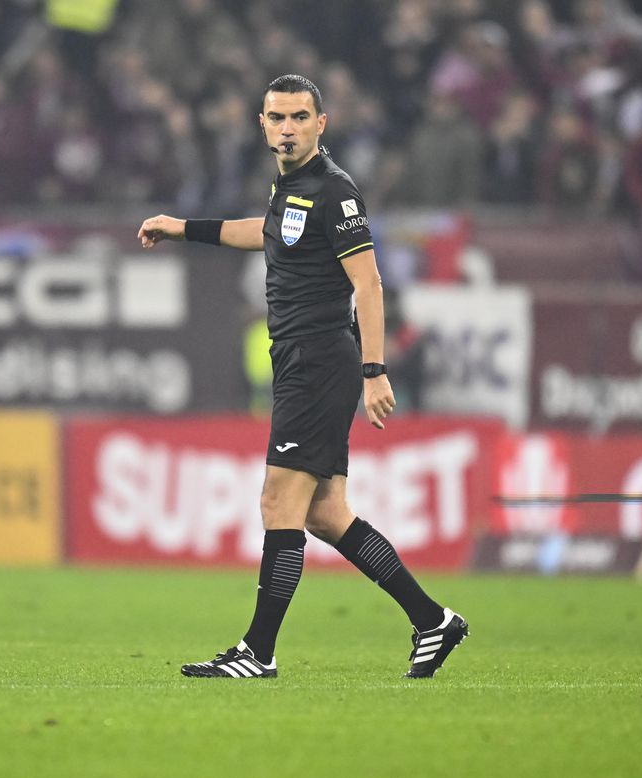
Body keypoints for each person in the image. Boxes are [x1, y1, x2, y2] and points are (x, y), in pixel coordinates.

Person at [138, 74, 468, 680]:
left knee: (277, 501)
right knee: (326, 513)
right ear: (262, 125)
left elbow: (369, 283)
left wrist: (375, 370)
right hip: (301, 359)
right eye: (277, 117)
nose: (287, 128)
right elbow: (266, 232)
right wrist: (183, 227)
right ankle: (433, 620)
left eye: (298, 117)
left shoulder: (334, 191)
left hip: (319, 361)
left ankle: (257, 652)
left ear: (321, 123)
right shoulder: (289, 188)